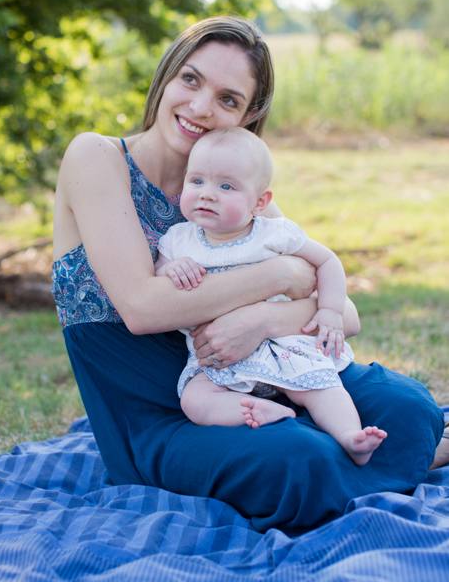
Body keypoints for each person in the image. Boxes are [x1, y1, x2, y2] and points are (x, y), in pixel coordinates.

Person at [51, 15, 448, 534]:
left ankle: (372, 451)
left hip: (272, 379)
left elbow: (345, 315)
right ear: (166, 76)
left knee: (411, 407)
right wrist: (279, 275)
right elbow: (144, 309)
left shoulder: (235, 187)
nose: (200, 107)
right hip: (162, 416)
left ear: (248, 113)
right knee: (297, 457)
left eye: (228, 99)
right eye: (190, 80)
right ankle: (400, 459)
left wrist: (261, 321)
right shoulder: (97, 157)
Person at [154, 127, 387, 465]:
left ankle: (351, 436)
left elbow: (327, 260)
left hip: (283, 346)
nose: (207, 194)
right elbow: (159, 278)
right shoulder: (178, 241)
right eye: (197, 181)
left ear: (260, 202)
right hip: (220, 359)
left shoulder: (273, 234)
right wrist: (171, 270)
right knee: (195, 400)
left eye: (226, 186)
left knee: (320, 388)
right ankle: (256, 410)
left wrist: (331, 311)